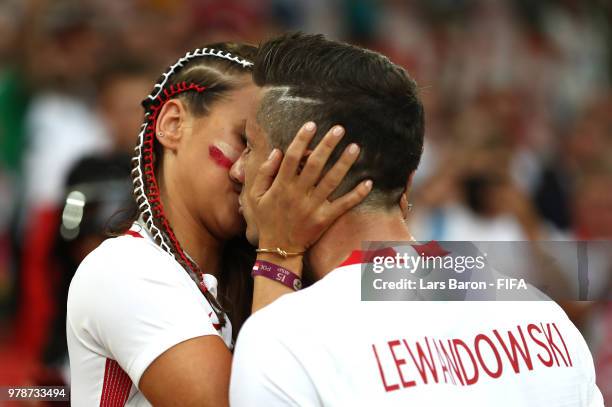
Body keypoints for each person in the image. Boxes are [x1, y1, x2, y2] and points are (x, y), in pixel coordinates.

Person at [229, 33, 604, 406]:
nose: (237, 169)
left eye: (249, 145)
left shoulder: (287, 339)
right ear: (406, 181)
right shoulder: (546, 319)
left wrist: (276, 256)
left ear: (306, 168)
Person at [66, 42, 371, 406]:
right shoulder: (123, 269)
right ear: (173, 124)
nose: (252, 172)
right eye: (246, 141)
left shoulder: (250, 271)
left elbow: (436, 283)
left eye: (276, 154)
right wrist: (280, 252)